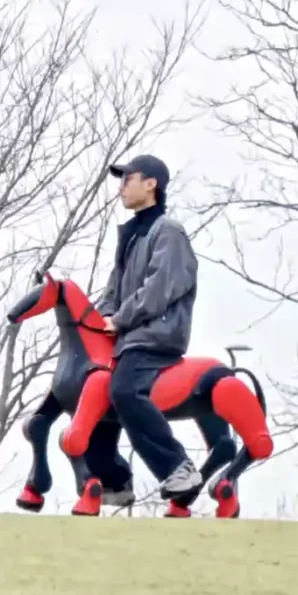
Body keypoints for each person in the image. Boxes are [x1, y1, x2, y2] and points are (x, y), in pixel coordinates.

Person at [94, 154, 203, 498]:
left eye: (128, 179)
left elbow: (158, 291)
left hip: (156, 336)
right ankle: (114, 482)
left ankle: (178, 467)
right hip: (130, 335)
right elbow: (113, 290)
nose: (121, 187)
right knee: (92, 392)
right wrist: (94, 321)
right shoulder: (132, 236)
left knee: (124, 390)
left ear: (151, 184)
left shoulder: (168, 232)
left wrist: (120, 320)